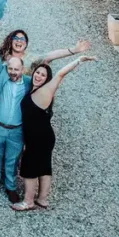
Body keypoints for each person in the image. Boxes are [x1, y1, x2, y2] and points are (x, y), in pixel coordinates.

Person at [13, 54, 96, 211]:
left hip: (38, 138)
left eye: (43, 75)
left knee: (29, 167)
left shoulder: (46, 90)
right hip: (45, 137)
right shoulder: (34, 90)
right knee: (44, 166)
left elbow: (61, 74)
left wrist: (79, 60)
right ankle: (42, 199)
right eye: (37, 72)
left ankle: (28, 201)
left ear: (47, 79)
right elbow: (46, 59)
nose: (38, 76)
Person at [0, 24, 31, 202]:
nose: (13, 72)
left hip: (16, 130)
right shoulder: (1, 74)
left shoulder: (28, 83)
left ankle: (10, 186)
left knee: (12, 159)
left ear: (22, 70)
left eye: (16, 69)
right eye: (10, 69)